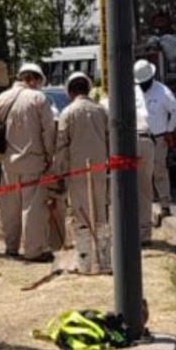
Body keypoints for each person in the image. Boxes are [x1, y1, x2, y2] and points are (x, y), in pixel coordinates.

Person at [0, 63, 56, 262]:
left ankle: (11, 247)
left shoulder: (2, 98)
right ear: (34, 79)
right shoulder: (38, 99)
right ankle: (34, 250)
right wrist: (50, 156)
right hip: (33, 160)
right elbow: (48, 132)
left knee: (10, 207)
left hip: (8, 162)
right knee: (32, 209)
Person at [53, 72, 110, 272]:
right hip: (100, 171)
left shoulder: (67, 113)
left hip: (77, 173)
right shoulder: (101, 111)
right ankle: (103, 260)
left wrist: (58, 173)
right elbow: (110, 138)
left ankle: (85, 262)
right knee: (100, 213)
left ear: (70, 91)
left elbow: (61, 146)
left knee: (81, 214)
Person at [134, 59, 176, 227]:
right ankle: (144, 210)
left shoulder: (162, 92)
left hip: (158, 137)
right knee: (141, 175)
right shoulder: (135, 91)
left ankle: (165, 205)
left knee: (159, 171)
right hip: (139, 137)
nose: (143, 86)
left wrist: (169, 129)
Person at [133, 64, 154, 245]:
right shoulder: (144, 93)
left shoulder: (113, 97)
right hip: (146, 140)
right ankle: (144, 233)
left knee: (121, 190)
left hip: (127, 142)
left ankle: (126, 232)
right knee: (144, 190)